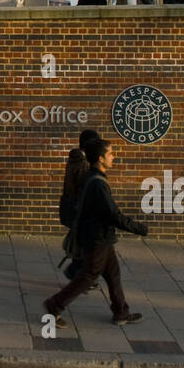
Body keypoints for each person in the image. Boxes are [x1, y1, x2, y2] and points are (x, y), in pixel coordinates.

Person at [43, 137, 148, 327]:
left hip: (100, 237)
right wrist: (138, 228)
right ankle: (54, 305)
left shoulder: (92, 177)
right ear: (100, 158)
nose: (113, 157)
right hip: (96, 238)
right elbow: (112, 214)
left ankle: (121, 312)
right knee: (88, 276)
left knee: (113, 275)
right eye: (110, 154)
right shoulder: (98, 183)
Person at [58, 127, 100, 283]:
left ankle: (77, 272)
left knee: (81, 242)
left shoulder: (74, 159)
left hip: (70, 206)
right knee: (85, 244)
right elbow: (84, 189)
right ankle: (76, 272)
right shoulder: (83, 164)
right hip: (79, 208)